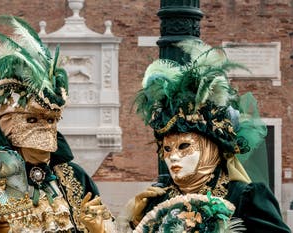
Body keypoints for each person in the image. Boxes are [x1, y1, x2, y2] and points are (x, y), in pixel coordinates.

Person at [0, 15, 115, 233]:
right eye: (33, 119)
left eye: (51, 120)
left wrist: (98, 229)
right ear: (8, 125)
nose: (45, 129)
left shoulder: (76, 178)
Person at [120, 40, 291, 232]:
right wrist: (131, 221)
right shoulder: (157, 200)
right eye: (167, 149)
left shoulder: (244, 197)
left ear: (211, 147)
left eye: (184, 146)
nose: (173, 157)